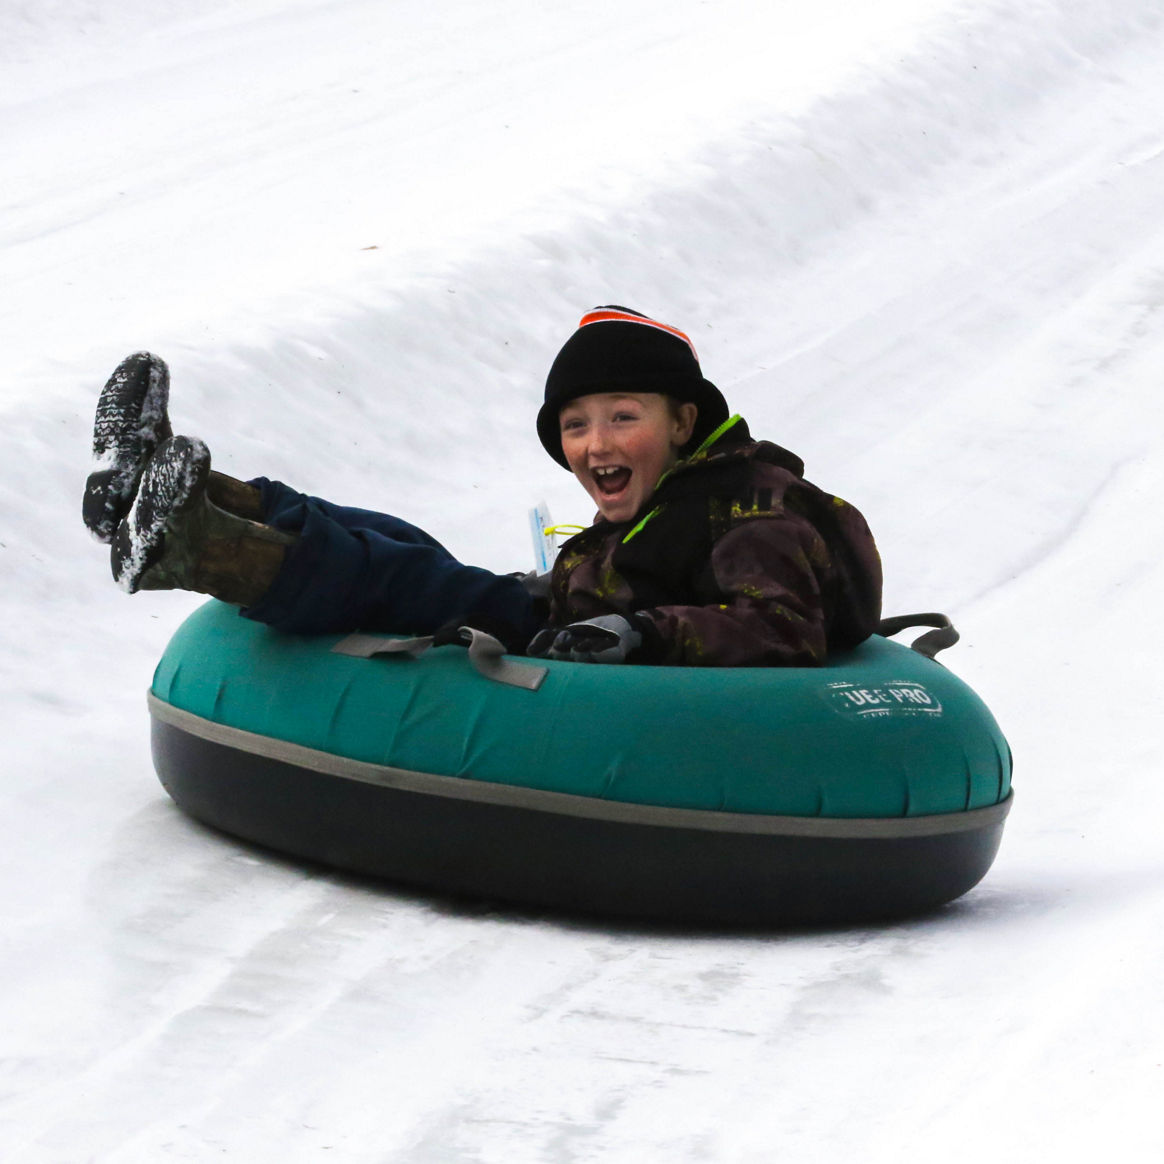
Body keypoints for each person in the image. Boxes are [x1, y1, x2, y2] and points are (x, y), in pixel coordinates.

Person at [83, 306, 882, 666]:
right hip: (564, 616)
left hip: (579, 652)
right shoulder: (675, 496)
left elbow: (783, 629)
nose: (595, 444)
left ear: (681, 422)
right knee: (391, 536)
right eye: (576, 425)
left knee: (392, 576)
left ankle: (195, 547)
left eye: (621, 416)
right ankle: (179, 487)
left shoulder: (751, 510)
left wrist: (644, 635)